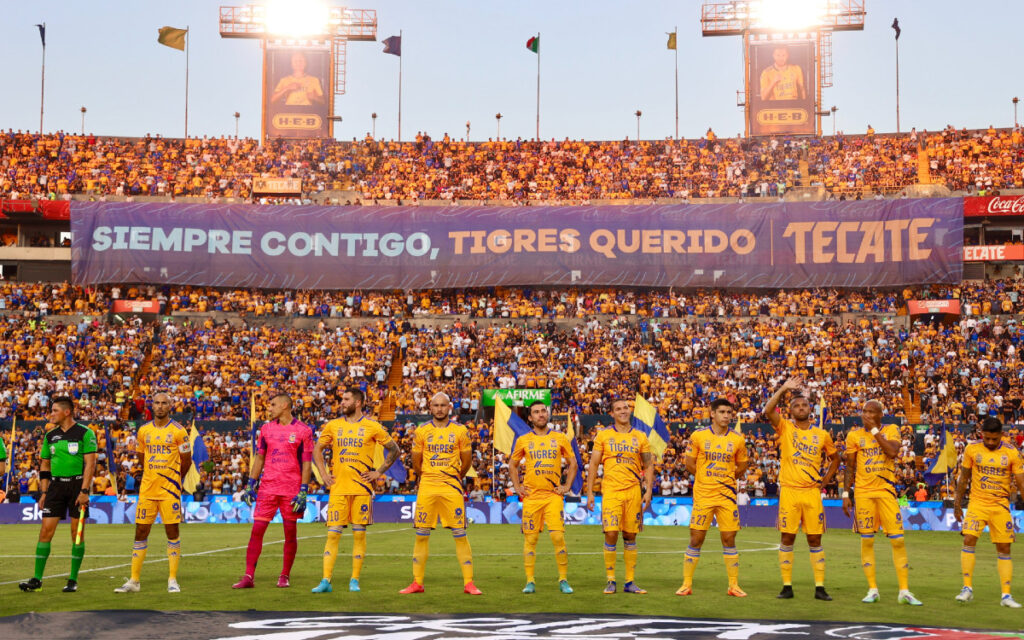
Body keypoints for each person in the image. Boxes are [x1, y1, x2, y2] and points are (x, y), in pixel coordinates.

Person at [311, 387, 400, 593]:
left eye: (346, 399)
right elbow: (317, 449)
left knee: (359, 535)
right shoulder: (333, 426)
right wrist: (324, 475)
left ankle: (354, 580)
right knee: (333, 535)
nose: (342, 402)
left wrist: (378, 472)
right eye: (342, 399)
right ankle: (325, 581)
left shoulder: (372, 426)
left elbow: (394, 449)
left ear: (358, 403)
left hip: (361, 490)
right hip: (338, 489)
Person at [762, 376, 839, 601]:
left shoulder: (822, 435)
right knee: (787, 538)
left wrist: (825, 481)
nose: (801, 408)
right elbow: (768, 410)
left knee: (815, 540)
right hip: (789, 492)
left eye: (804, 405)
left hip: (812, 493)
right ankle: (787, 586)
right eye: (796, 405)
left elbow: (836, 459)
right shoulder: (785, 428)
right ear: (791, 411)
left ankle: (820, 587)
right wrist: (784, 388)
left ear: (810, 409)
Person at [399, 392, 482, 595]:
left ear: (449, 407)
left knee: (460, 534)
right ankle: (417, 582)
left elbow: (467, 461)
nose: (439, 409)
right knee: (421, 535)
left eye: (443, 405)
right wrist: (428, 475)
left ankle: (469, 583)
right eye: (435, 405)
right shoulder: (422, 431)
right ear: (431, 407)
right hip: (427, 486)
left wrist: (454, 476)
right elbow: (416, 461)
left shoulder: (460, 431)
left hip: (451, 487)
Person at [843, 399, 922, 605]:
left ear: (880, 415)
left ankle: (904, 591)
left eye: (871, 412)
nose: (866, 415)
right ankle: (872, 589)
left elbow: (893, 452)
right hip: (863, 493)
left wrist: (875, 432)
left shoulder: (892, 429)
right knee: (867, 540)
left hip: (886, 491)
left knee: (897, 540)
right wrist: (845, 494)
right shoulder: (854, 436)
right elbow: (850, 467)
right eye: (864, 411)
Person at [232, 392, 314, 589]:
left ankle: (285, 575)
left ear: (285, 405)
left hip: (291, 489)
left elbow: (306, 463)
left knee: (290, 533)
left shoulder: (304, 431)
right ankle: (248, 576)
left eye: (273, 404)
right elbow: (259, 458)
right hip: (268, 487)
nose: (269, 408)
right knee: (257, 531)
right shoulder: (266, 430)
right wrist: (251, 485)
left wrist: (303, 490)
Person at [114, 392, 191, 594]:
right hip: (147, 489)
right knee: (140, 532)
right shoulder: (143, 430)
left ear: (170, 406)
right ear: (152, 406)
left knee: (172, 532)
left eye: (164, 403)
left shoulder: (179, 431)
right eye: (156, 403)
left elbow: (187, 460)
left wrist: (175, 479)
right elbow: (141, 455)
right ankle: (134, 581)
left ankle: (172, 579)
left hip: (169, 491)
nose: (160, 406)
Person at [18, 397, 96, 593]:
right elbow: (45, 464)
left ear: (66, 412)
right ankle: (36, 580)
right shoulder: (50, 436)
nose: (50, 414)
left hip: (78, 486)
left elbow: (90, 465)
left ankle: (72, 579)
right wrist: (44, 491)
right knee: (45, 532)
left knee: (76, 535)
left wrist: (85, 491)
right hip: (55, 487)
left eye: (54, 411)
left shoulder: (85, 433)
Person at [677, 398, 749, 597]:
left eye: (729, 412)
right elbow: (689, 463)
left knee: (729, 538)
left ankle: (733, 586)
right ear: (713, 414)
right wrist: (705, 478)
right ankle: (686, 584)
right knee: (696, 538)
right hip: (704, 496)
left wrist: (726, 478)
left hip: (726, 496)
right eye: (722, 412)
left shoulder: (737, 439)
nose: (726, 416)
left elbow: (742, 465)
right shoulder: (698, 436)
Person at [586, 397, 654, 595]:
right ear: (612, 413)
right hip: (611, 491)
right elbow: (594, 464)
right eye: (618, 408)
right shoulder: (603, 436)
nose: (623, 411)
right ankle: (610, 580)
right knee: (611, 533)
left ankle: (630, 582)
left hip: (633, 491)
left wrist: (648, 490)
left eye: (626, 408)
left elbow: (648, 464)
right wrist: (590, 492)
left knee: (630, 535)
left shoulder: (640, 436)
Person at [954, 416, 1024, 607]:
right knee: (968, 538)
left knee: (1004, 548)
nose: (991, 442)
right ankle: (967, 588)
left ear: (1002, 434)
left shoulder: (1012, 452)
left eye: (995, 439)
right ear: (981, 434)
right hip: (977, 503)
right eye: (987, 439)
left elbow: (1021, 482)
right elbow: (964, 478)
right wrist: (957, 503)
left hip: (1000, 505)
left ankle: (1006, 596)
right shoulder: (972, 449)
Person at [510, 401, 577, 594]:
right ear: (530, 418)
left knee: (557, 537)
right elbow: (512, 465)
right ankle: (530, 581)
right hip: (531, 497)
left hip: (553, 496)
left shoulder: (560, 438)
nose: (541, 414)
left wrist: (566, 486)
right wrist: (517, 486)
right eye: (536, 412)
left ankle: (563, 579)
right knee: (530, 540)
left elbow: (572, 463)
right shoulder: (523, 439)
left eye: (543, 411)